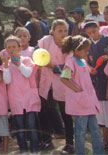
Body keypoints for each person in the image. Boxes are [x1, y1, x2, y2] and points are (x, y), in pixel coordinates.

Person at [60, 35, 104, 154]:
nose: (87, 52)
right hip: (80, 104)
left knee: (95, 129)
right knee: (80, 131)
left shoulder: (82, 60)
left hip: (89, 102)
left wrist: (92, 71)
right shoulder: (70, 61)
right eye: (85, 50)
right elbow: (64, 78)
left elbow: (88, 71)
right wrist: (77, 90)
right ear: (76, 50)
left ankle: (99, 152)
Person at [38, 19, 74, 153]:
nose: (63, 33)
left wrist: (51, 65)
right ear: (52, 31)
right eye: (60, 31)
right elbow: (38, 56)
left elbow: (68, 67)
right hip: (46, 82)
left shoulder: (70, 44)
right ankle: (47, 141)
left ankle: (70, 142)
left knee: (66, 113)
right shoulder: (45, 41)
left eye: (65, 30)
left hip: (63, 83)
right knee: (45, 111)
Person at [2, 36, 41, 153]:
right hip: (16, 99)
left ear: (19, 48)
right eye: (8, 47)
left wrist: (18, 64)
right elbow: (7, 80)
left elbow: (28, 74)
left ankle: (35, 148)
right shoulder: (6, 64)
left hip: (29, 98)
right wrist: (7, 67)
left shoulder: (26, 60)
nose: (11, 49)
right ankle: (23, 148)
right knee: (19, 126)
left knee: (31, 125)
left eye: (14, 47)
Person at [85, 21, 108, 148]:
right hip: (96, 81)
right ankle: (105, 138)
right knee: (100, 111)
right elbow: (85, 60)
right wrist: (91, 68)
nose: (93, 35)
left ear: (98, 29)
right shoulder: (88, 45)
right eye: (90, 33)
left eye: (94, 31)